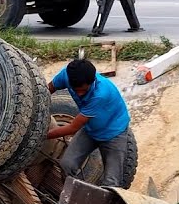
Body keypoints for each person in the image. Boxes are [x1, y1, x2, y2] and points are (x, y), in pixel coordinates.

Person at [46, 58, 132, 188]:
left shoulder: (101, 94)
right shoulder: (66, 75)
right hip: (90, 129)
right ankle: (72, 197)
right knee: (67, 165)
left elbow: (73, 128)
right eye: (76, 90)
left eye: (84, 90)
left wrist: (42, 135)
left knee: (112, 183)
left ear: (92, 82)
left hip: (114, 133)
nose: (79, 94)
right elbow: (48, 90)